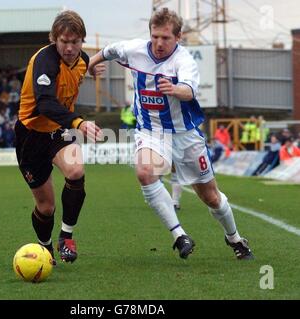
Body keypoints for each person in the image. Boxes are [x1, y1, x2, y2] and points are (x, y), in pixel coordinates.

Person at [88, 8, 253, 260]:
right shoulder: (135, 49)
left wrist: (175, 88)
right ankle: (179, 235)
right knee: (144, 172)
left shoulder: (184, 60)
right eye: (155, 36)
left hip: (185, 135)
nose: (159, 43)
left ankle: (234, 238)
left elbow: (188, 90)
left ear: (179, 37)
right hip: (151, 131)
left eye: (166, 37)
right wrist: (91, 64)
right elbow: (109, 50)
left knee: (211, 197)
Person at [14, 10, 103, 265]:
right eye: (64, 41)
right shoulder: (45, 61)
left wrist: (93, 70)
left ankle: (66, 235)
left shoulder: (82, 60)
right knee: (46, 207)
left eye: (75, 42)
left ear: (82, 41)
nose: (70, 48)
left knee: (75, 172)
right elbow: (44, 103)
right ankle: (46, 249)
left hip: (59, 131)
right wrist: (79, 122)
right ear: (54, 39)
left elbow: (82, 66)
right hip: (31, 135)